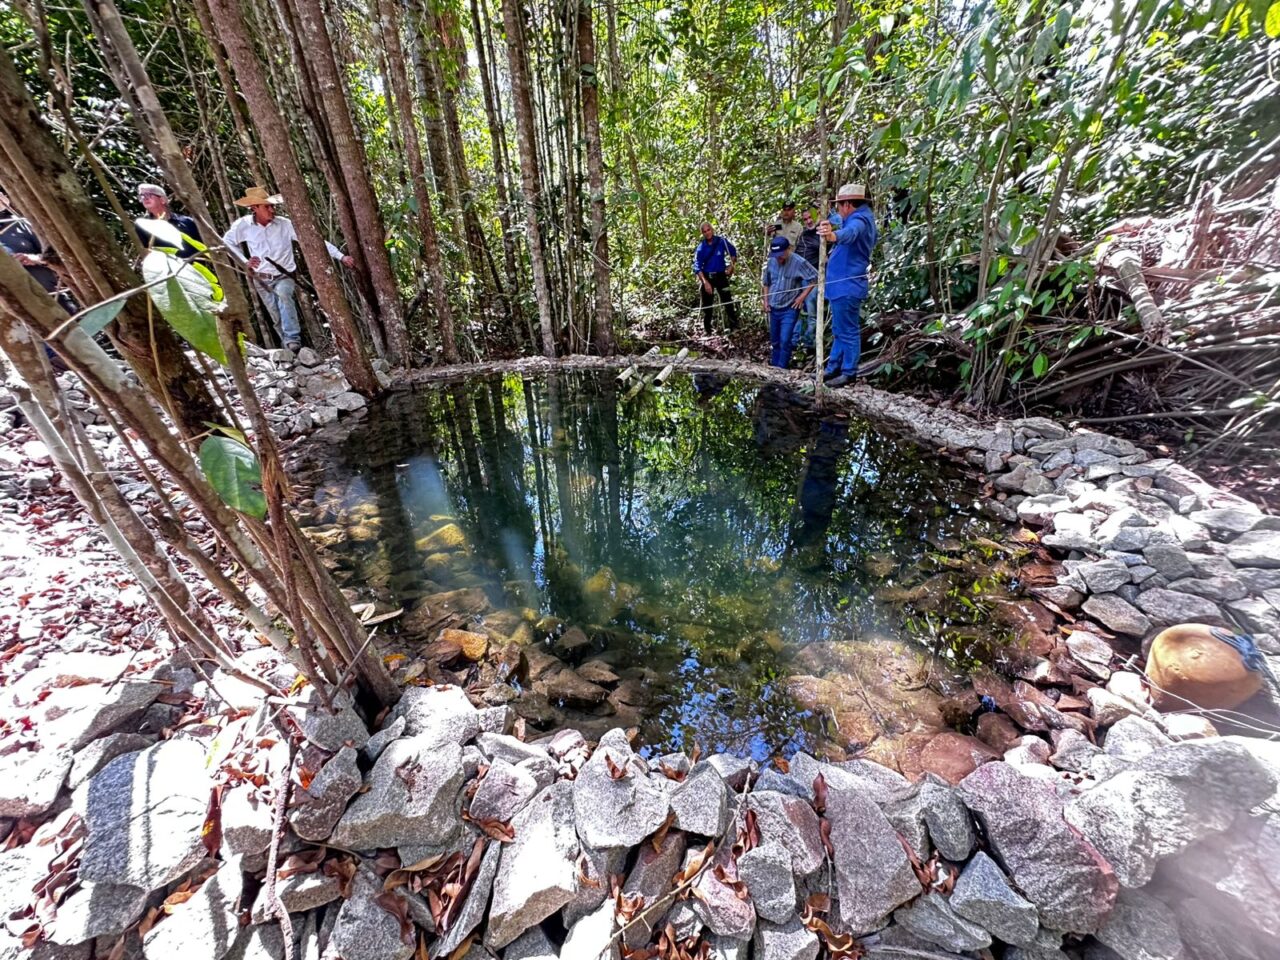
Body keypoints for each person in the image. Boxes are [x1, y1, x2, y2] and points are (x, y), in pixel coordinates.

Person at [222, 185, 355, 351]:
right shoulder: (243, 225)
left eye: (272, 206)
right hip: (261, 279)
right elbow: (227, 242)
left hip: (284, 275)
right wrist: (244, 261)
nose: (272, 210)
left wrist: (340, 256)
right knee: (275, 316)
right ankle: (289, 349)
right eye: (267, 206)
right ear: (254, 208)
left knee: (284, 295)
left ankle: (293, 340)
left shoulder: (284, 225)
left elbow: (313, 241)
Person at [816, 183, 877, 388]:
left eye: (840, 205)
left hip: (847, 286)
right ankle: (833, 368)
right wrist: (827, 225)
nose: (839, 210)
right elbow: (837, 221)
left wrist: (833, 236)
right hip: (841, 286)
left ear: (848, 205)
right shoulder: (855, 216)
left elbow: (851, 232)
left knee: (848, 330)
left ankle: (849, 372)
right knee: (839, 329)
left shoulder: (860, 220)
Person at [760, 235, 817, 369]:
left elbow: (815, 277)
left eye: (781, 255)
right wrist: (766, 301)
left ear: (788, 250)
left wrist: (802, 297)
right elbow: (766, 282)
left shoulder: (799, 262)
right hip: (773, 307)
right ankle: (774, 367)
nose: (779, 258)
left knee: (785, 340)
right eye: (776, 255)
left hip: (789, 307)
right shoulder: (771, 261)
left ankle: (782, 368)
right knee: (775, 340)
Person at [692, 221, 738, 333]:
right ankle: (708, 330)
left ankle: (734, 326)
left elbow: (733, 252)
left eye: (709, 230)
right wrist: (705, 282)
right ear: (702, 233)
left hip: (721, 275)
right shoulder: (701, 247)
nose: (707, 233)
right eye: (704, 231)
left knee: (727, 301)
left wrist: (731, 266)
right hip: (707, 276)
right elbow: (697, 266)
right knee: (707, 306)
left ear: (712, 230)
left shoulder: (721, 241)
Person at [134, 183, 202, 259]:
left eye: (148, 194)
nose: (145, 198)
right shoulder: (143, 227)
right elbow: (146, 251)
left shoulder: (187, 222)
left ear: (162, 200)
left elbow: (201, 247)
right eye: (142, 196)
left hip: (193, 266)